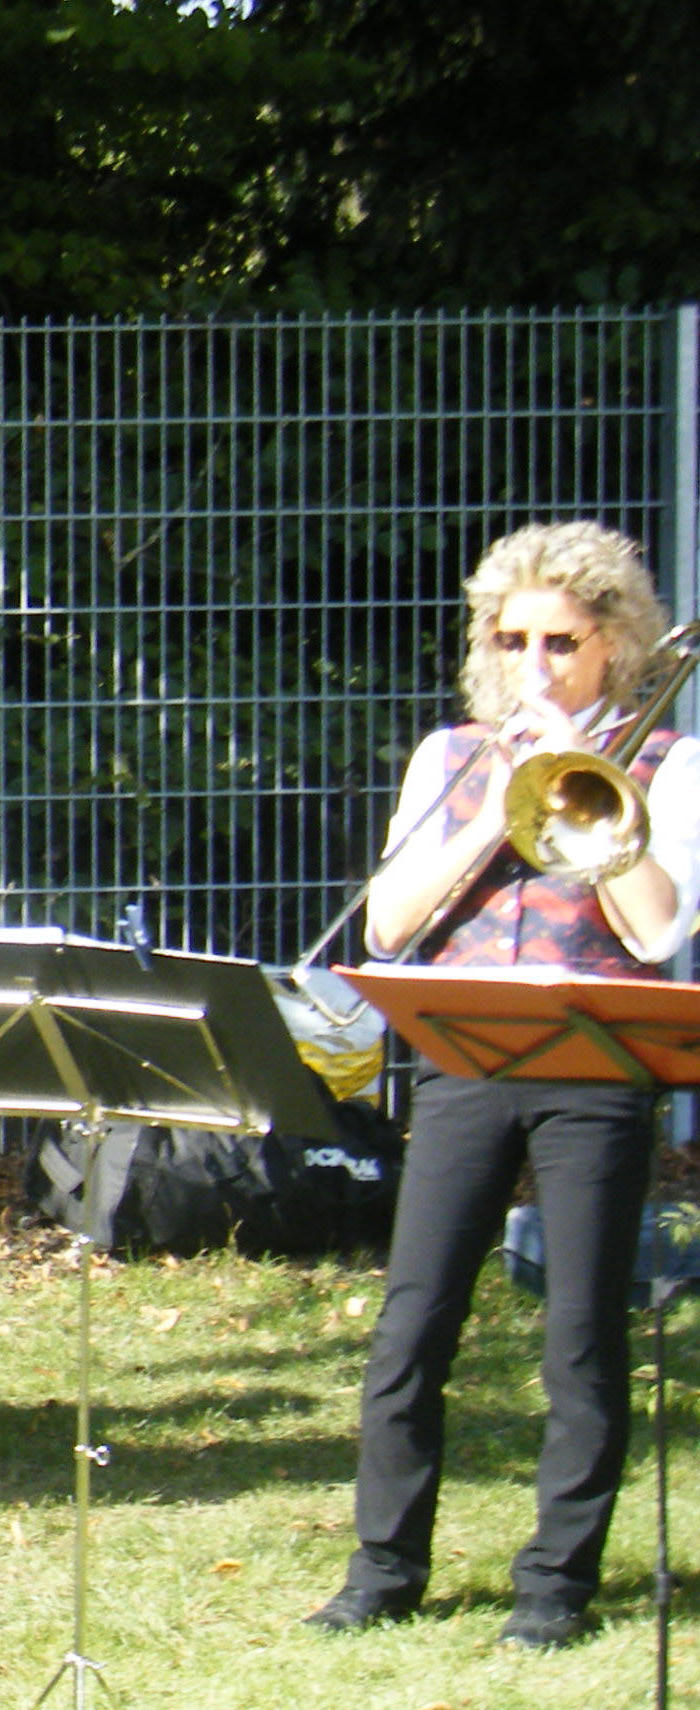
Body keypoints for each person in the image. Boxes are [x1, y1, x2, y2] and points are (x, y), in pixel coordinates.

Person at [307, 521, 700, 1651]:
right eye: (513, 640)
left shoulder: (669, 762)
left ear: (615, 643)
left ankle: (555, 1586)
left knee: (580, 1331)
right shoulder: (451, 757)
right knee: (414, 1320)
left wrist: (586, 789)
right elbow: (389, 926)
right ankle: (384, 1571)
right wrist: (497, 806)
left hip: (598, 1066)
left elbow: (658, 929)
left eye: (562, 643)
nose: (536, 665)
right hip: (468, 1057)